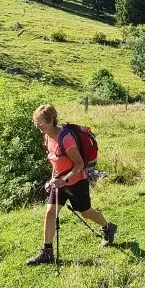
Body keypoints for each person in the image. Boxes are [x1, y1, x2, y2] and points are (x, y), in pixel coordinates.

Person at [26, 104, 118, 266]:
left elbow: (79, 164)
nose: (38, 126)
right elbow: (56, 162)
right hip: (59, 181)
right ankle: (47, 252)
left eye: (41, 122)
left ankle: (107, 226)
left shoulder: (66, 139)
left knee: (87, 213)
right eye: (36, 122)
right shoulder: (47, 136)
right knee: (50, 212)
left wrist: (65, 180)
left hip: (76, 181)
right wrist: (52, 180)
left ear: (51, 120)